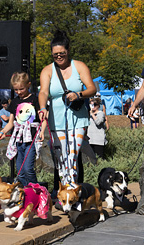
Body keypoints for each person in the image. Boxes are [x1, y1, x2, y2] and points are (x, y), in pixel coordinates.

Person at [38, 30, 96, 188]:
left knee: (73, 155)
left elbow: (92, 88)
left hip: (77, 118)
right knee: (61, 155)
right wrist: (42, 108)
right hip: (57, 119)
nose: (58, 57)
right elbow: (43, 92)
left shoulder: (79, 66)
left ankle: (74, 189)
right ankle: (64, 190)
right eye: (55, 54)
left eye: (62, 53)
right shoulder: (47, 70)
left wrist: (79, 94)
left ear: (68, 51)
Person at [0, 71, 46, 186]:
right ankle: (25, 190)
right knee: (20, 172)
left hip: (31, 138)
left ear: (28, 85)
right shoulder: (15, 102)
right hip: (19, 139)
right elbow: (11, 122)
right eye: (16, 90)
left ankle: (36, 189)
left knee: (28, 168)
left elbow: (43, 119)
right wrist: (3, 131)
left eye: (21, 89)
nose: (19, 92)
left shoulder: (35, 99)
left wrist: (42, 131)